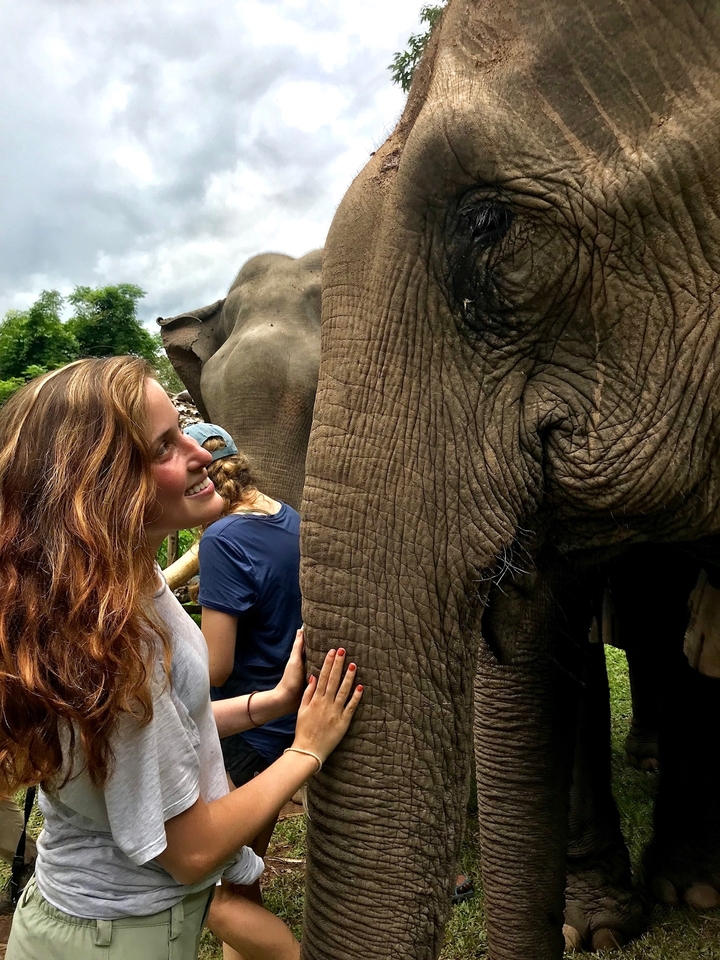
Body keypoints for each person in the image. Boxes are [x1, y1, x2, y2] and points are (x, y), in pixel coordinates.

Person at [0, 357, 363, 960]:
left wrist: (265, 706)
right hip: (114, 939)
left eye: (185, 433)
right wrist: (306, 749)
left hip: (97, 922)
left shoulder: (126, 585)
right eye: (165, 446)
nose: (200, 454)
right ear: (104, 482)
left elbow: (158, 725)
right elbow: (190, 848)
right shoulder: (117, 635)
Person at [182, 422, 302, 960]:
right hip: (286, 714)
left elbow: (214, 668)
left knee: (217, 884)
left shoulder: (223, 542)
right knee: (242, 870)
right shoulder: (286, 517)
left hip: (246, 727)